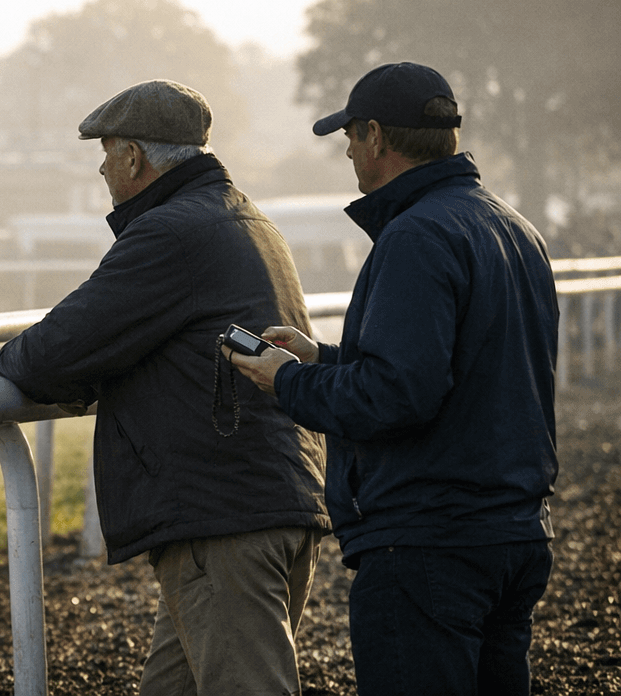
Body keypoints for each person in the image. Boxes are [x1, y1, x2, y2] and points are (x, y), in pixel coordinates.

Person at [0, 79, 328, 695]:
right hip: (257, 500)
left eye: (108, 153)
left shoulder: (172, 232)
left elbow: (66, 344)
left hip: (223, 519)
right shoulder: (245, 218)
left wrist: (3, 361)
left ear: (134, 157)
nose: (102, 168)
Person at [225, 62, 559, 696]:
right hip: (514, 533)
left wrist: (288, 382)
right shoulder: (515, 229)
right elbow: (463, 371)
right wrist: (324, 358)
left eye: (349, 136)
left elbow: (396, 395)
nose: (348, 151)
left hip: (430, 542)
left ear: (376, 136)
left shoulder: (416, 236)